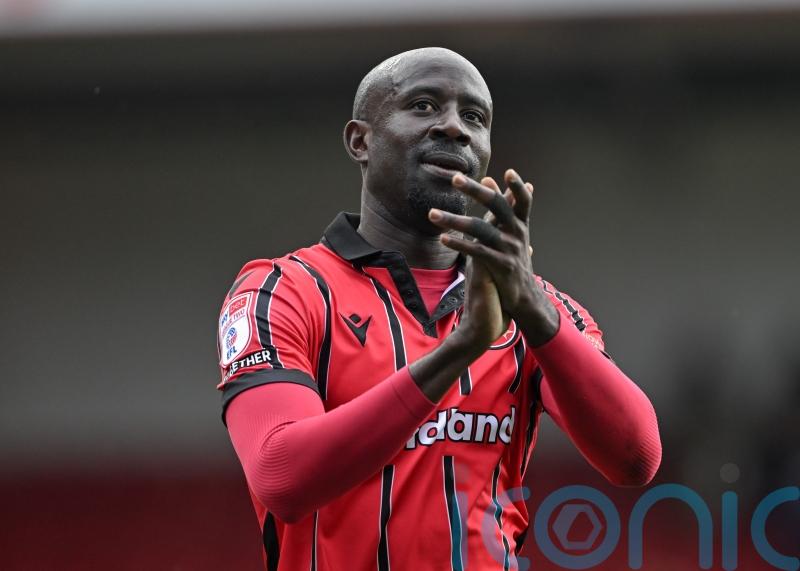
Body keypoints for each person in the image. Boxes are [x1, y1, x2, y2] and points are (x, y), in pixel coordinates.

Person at [216, 47, 661, 570]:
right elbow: (282, 477)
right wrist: (460, 349)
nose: (454, 127)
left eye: (474, 117)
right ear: (360, 140)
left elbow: (635, 459)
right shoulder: (284, 290)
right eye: (424, 106)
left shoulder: (535, 309)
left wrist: (535, 310)